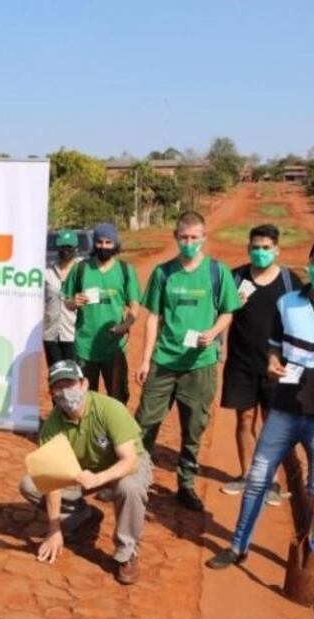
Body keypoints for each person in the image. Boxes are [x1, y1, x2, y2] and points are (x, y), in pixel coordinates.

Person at [208, 235, 314, 569]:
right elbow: (275, 345)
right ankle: (238, 545)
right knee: (258, 477)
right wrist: (273, 360)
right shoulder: (287, 304)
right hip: (284, 409)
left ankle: (311, 555)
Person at [134, 211, 241, 511]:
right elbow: (153, 318)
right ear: (175, 238)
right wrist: (145, 361)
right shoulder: (163, 273)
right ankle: (133, 477)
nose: (189, 243)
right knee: (144, 424)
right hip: (164, 362)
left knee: (193, 428)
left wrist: (213, 332)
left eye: (195, 238)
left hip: (201, 364)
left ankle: (186, 483)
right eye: (184, 238)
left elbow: (228, 312)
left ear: (204, 238)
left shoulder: (217, 273)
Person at [19, 360, 152, 584]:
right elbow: (51, 480)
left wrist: (100, 478)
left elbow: (130, 461)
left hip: (124, 466)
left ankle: (127, 552)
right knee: (30, 484)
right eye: (58, 387)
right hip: (82, 471)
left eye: (70, 384)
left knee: (129, 487)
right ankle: (83, 516)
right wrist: (54, 529)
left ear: (84, 384)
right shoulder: (52, 426)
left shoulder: (109, 409)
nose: (65, 392)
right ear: (51, 392)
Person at [220, 224, 302, 503]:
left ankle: (272, 481)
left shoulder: (290, 283)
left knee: (273, 424)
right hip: (241, 363)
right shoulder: (235, 278)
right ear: (248, 249)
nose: (260, 252)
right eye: (255, 247)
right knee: (244, 419)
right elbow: (219, 314)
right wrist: (232, 304)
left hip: (276, 366)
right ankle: (246, 475)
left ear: (277, 249)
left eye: (266, 248)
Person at [63, 223, 140, 404]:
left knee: (118, 397)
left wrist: (124, 326)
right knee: (85, 397)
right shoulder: (80, 268)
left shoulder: (125, 271)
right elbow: (67, 301)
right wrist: (74, 302)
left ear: (115, 244)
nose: (103, 247)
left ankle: (114, 431)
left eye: (108, 242)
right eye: (99, 242)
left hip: (114, 346)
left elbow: (134, 306)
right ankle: (90, 431)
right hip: (85, 346)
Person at [43, 230, 79, 366]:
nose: (65, 251)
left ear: (76, 249)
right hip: (50, 334)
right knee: (55, 376)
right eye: (62, 247)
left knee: (75, 379)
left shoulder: (83, 271)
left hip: (74, 335)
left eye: (69, 247)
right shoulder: (47, 272)